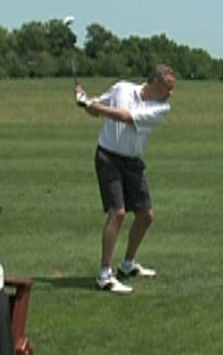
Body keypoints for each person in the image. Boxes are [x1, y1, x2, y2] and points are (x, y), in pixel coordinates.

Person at [74, 64, 176, 293]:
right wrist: (84, 101)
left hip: (132, 162)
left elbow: (126, 117)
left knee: (146, 216)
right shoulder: (122, 88)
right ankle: (104, 274)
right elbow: (96, 109)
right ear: (155, 83)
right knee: (118, 212)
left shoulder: (162, 108)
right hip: (108, 157)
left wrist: (93, 105)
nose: (171, 94)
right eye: (168, 88)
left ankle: (128, 264)